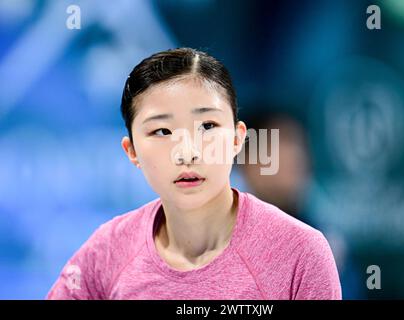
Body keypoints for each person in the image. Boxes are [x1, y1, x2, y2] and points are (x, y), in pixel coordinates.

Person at [46, 47, 341, 300]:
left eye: (208, 127)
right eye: (162, 131)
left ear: (238, 139)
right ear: (132, 151)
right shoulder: (108, 250)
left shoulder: (300, 252)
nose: (187, 152)